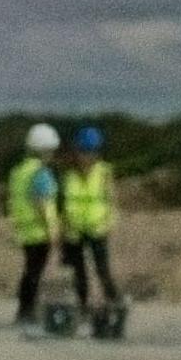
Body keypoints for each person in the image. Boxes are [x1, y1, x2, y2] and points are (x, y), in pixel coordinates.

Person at [56, 125, 120, 325]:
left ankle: (115, 304)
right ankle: (83, 307)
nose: (86, 156)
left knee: (102, 269)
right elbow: (63, 204)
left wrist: (110, 221)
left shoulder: (104, 173)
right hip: (74, 231)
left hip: (97, 227)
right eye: (83, 151)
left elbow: (111, 200)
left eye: (91, 152)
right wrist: (62, 230)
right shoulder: (68, 175)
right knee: (79, 272)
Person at [7, 121, 63, 325]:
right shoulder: (40, 172)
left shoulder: (18, 171)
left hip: (24, 230)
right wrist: (53, 230)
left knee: (30, 271)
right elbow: (44, 204)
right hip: (39, 231)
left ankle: (24, 310)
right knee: (35, 273)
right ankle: (27, 311)